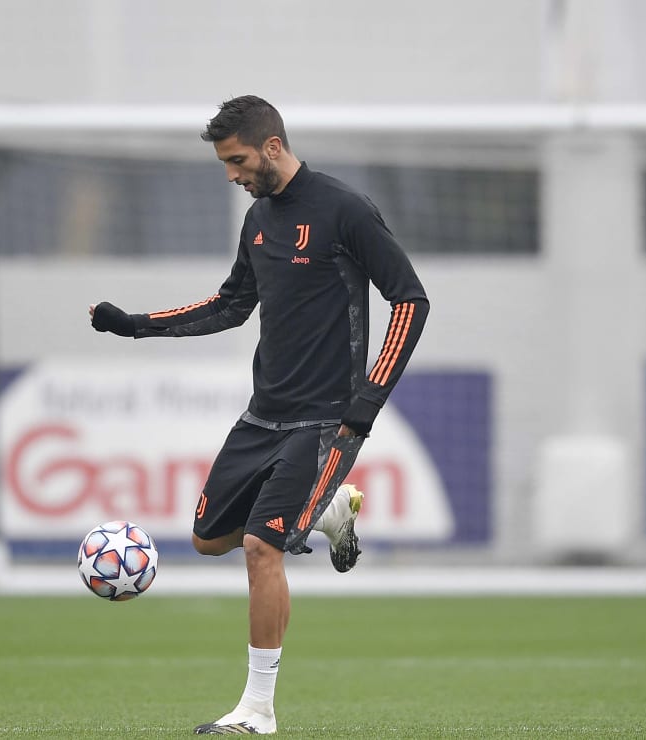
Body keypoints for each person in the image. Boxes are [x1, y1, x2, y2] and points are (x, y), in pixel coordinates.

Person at [89, 95, 428, 734]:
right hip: (263, 415)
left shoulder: (344, 210)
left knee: (260, 548)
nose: (231, 175)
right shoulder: (259, 222)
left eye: (237, 160)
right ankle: (328, 513)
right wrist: (136, 326)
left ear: (272, 146)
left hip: (329, 420)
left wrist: (368, 399)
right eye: (224, 163)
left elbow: (410, 301)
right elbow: (230, 306)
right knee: (206, 540)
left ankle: (257, 710)